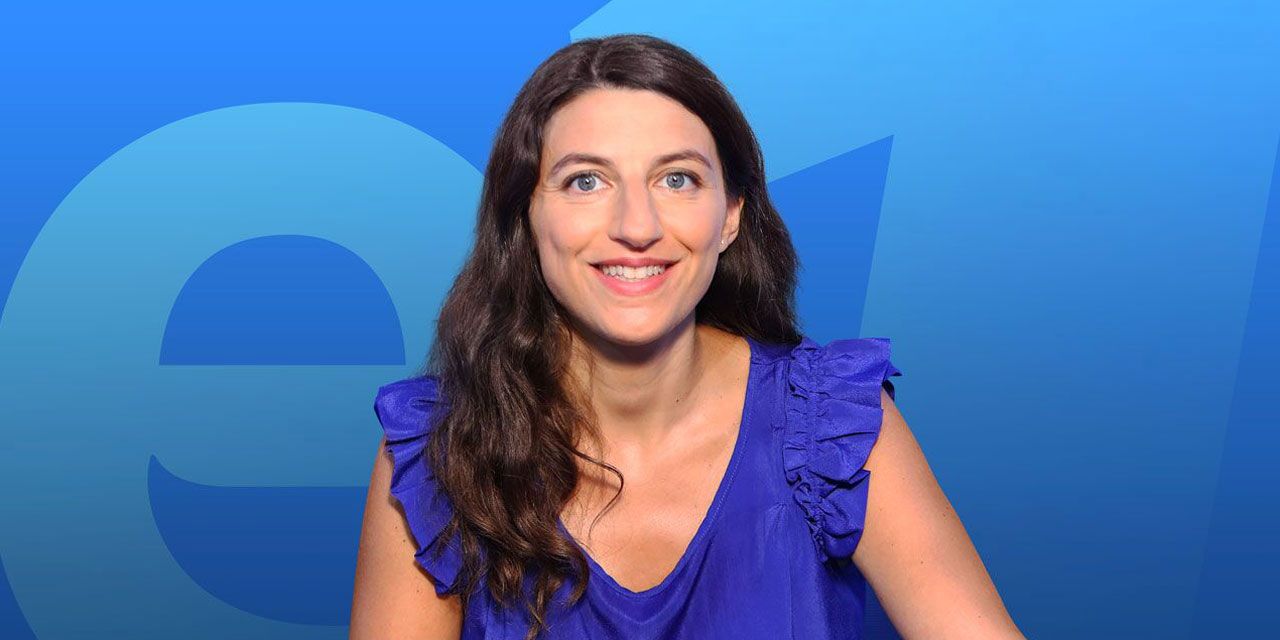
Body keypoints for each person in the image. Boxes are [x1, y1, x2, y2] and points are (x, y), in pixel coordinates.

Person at [350, 34, 1023, 640]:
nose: (636, 226)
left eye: (677, 179)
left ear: (729, 215)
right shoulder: (435, 449)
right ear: (526, 216)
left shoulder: (833, 425)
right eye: (586, 181)